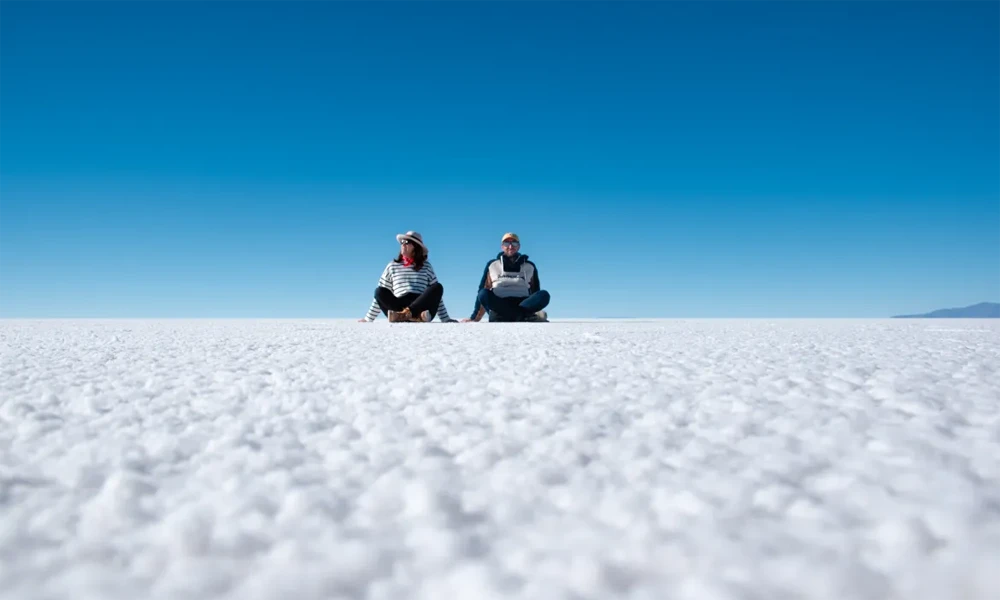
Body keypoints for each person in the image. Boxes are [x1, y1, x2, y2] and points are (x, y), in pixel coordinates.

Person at [360, 231, 456, 323]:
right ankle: (416, 317)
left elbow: (436, 296)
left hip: (421, 305)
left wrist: (445, 318)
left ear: (416, 247)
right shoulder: (392, 266)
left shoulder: (426, 266)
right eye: (401, 242)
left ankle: (406, 315)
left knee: (437, 287)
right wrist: (368, 318)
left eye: (406, 242)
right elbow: (380, 294)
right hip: (399, 306)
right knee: (379, 291)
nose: (403, 244)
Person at [462, 232, 550, 322]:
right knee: (483, 293)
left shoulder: (530, 266)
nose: (510, 246)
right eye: (507, 243)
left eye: (514, 243)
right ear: (502, 246)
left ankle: (508, 316)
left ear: (519, 246)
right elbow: (483, 288)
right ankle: (525, 316)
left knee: (543, 295)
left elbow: (535, 290)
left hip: (523, 303)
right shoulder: (492, 265)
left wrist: (535, 307)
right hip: (500, 304)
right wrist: (474, 318)